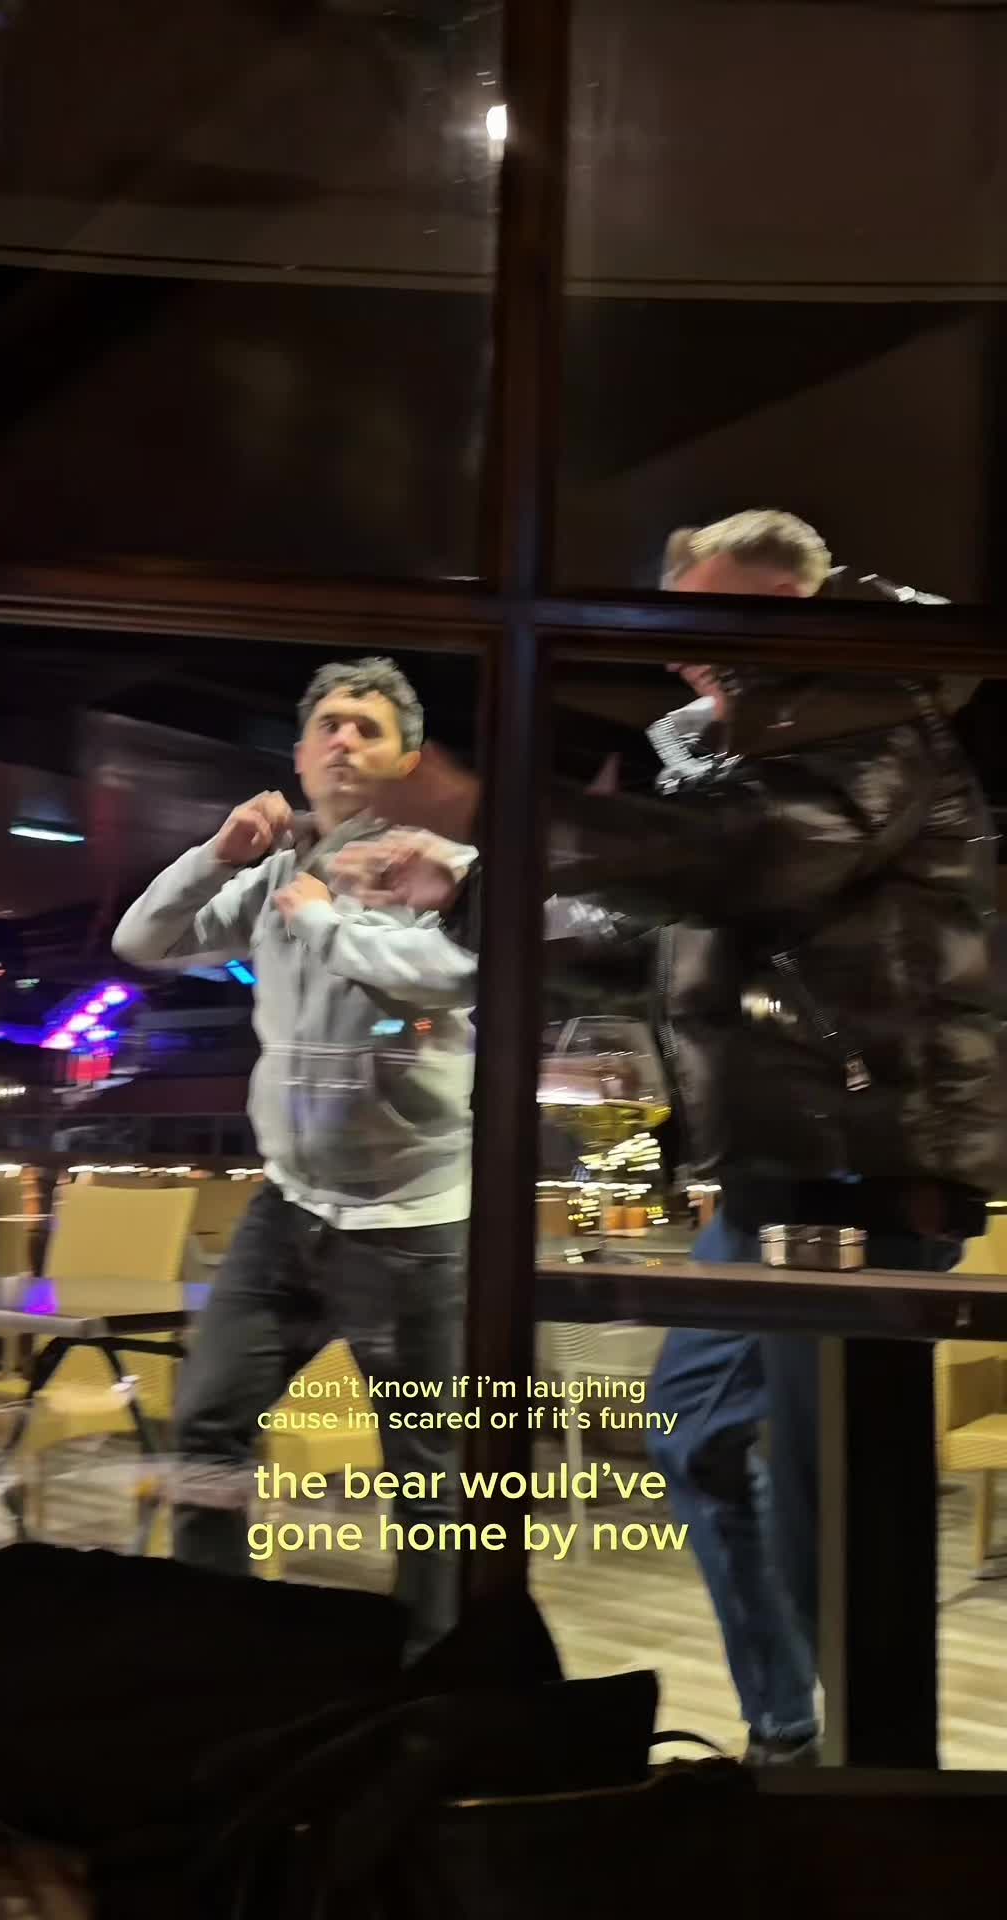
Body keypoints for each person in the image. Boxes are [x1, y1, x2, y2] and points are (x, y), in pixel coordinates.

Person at [336, 510, 1002, 1757]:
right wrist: (470, 890)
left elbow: (746, 859)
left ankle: (868, 1769)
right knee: (697, 1437)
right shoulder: (754, 764)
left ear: (793, 605)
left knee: (832, 1494)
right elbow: (645, 944)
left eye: (714, 615)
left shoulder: (872, 723)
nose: (686, 648)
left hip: (865, 1161)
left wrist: (486, 808)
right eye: (680, 622)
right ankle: (790, 1729)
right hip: (778, 1169)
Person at [113, 656, 478, 1661]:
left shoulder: (445, 867)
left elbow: (452, 975)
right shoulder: (273, 872)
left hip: (415, 1222)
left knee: (431, 1474)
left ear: (405, 759)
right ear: (301, 756)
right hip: (291, 1207)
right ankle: (220, 1654)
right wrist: (215, 856)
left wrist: (321, 916)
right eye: (328, 726)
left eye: (369, 727)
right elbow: (142, 942)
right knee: (206, 1427)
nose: (344, 741)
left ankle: (434, 1686)